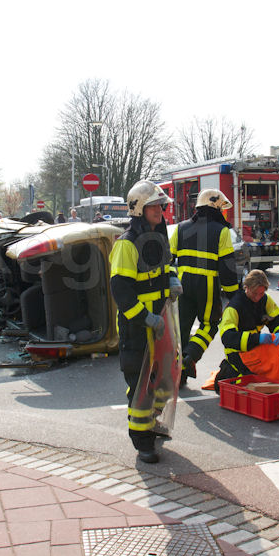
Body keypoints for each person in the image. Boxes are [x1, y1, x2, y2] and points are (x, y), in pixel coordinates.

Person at [109, 180, 176, 464]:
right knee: (139, 384)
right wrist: (145, 317)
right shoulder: (127, 244)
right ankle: (142, 441)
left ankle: (152, 423)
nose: (159, 210)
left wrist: (172, 279)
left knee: (162, 380)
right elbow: (121, 291)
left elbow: (167, 266)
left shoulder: (158, 237)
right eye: (153, 206)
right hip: (137, 326)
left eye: (161, 205)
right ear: (139, 209)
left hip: (159, 321)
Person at [169, 189, 239, 385]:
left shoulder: (181, 227)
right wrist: (234, 296)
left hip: (182, 286)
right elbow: (227, 268)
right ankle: (190, 356)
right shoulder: (222, 231)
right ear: (215, 207)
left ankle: (179, 375)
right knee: (209, 325)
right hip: (206, 285)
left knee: (181, 330)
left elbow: (167, 258)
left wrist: (170, 280)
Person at [214, 269, 279, 387]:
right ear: (246, 288)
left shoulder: (265, 299)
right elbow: (228, 338)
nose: (257, 297)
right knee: (252, 379)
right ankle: (228, 369)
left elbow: (278, 320)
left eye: (261, 293)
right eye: (255, 293)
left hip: (257, 346)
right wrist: (257, 339)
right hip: (238, 352)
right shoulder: (234, 307)